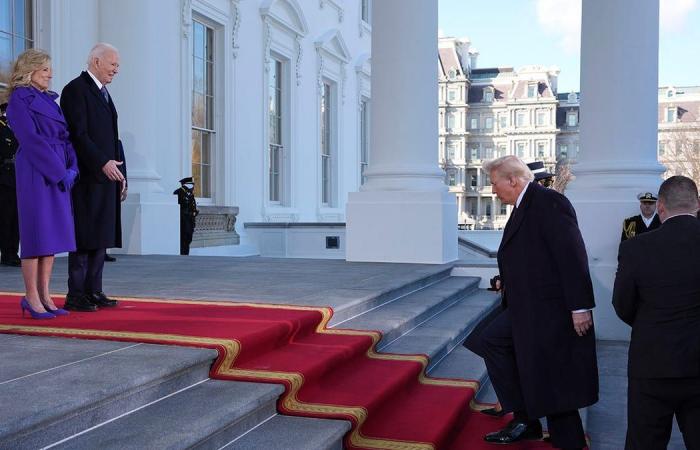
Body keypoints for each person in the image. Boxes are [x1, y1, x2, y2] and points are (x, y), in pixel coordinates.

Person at [477, 155, 598, 449]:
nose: (493, 191)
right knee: (495, 342)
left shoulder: (549, 202)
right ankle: (526, 418)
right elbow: (529, 253)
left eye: (494, 184)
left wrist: (579, 307)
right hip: (528, 305)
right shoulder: (525, 205)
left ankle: (544, 428)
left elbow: (572, 256)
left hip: (551, 309)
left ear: (513, 181)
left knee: (556, 376)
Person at [612, 175, 700, 450]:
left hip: (652, 362)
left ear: (661, 207)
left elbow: (622, 304)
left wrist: (650, 322)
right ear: (697, 204)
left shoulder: (635, 247)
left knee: (645, 442)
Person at [5, 49, 78, 319]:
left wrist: (73, 167)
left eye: (50, 69)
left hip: (58, 166)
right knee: (37, 234)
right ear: (30, 70)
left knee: (52, 235)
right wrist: (59, 171)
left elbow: (66, 137)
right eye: (45, 69)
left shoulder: (50, 101)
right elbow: (31, 139)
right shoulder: (19, 99)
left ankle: (46, 295)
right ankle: (31, 298)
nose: (51, 74)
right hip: (37, 169)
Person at [60, 43, 126, 312]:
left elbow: (113, 139)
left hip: (107, 175)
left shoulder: (105, 93)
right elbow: (78, 134)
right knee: (84, 237)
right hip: (88, 177)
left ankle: (94, 290)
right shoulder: (75, 90)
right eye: (113, 64)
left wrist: (123, 175)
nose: (116, 70)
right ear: (96, 62)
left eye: (117, 66)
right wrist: (101, 163)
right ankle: (76, 294)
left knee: (101, 236)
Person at [0, 102, 21, 267]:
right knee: (6, 218)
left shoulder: (18, 127)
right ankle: (6, 253)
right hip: (4, 178)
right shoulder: (2, 128)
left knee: (16, 218)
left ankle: (13, 252)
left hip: (18, 177)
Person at [173, 177, 199, 255]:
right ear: (187, 184)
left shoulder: (189, 193)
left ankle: (186, 255)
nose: (193, 187)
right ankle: (183, 255)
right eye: (192, 185)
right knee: (183, 239)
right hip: (183, 221)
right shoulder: (179, 192)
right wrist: (191, 213)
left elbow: (192, 206)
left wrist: (194, 212)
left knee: (188, 238)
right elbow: (180, 209)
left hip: (189, 220)